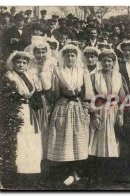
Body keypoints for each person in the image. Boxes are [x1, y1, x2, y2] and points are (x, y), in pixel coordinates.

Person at [47, 44, 93, 186]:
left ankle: (76, 173)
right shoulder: (58, 71)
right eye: (67, 55)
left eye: (73, 55)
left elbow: (87, 93)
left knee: (78, 138)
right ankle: (64, 172)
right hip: (63, 106)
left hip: (78, 106)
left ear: (76, 57)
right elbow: (54, 92)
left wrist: (86, 107)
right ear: (63, 57)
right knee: (63, 138)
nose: (70, 58)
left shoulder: (82, 71)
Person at [88, 49, 127, 185]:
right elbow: (90, 96)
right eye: (104, 61)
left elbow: (123, 97)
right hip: (99, 111)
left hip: (114, 111)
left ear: (113, 62)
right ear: (100, 62)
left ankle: (109, 175)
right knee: (97, 142)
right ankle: (96, 175)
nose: (107, 63)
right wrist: (94, 114)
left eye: (109, 61)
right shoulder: (94, 75)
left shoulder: (118, 76)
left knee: (113, 142)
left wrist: (121, 114)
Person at [6, 51, 43, 187]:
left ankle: (32, 175)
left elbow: (35, 93)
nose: (21, 65)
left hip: (29, 111)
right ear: (13, 63)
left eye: (24, 62)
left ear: (27, 64)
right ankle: (20, 175)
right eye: (18, 62)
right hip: (17, 110)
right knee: (21, 140)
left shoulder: (29, 75)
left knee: (32, 140)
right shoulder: (10, 76)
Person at [26, 39, 57, 161]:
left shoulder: (52, 63)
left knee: (47, 128)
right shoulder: (29, 64)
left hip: (49, 98)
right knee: (36, 128)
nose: (41, 55)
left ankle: (47, 157)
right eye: (38, 52)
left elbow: (54, 83)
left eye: (43, 52)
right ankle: (36, 157)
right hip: (35, 99)